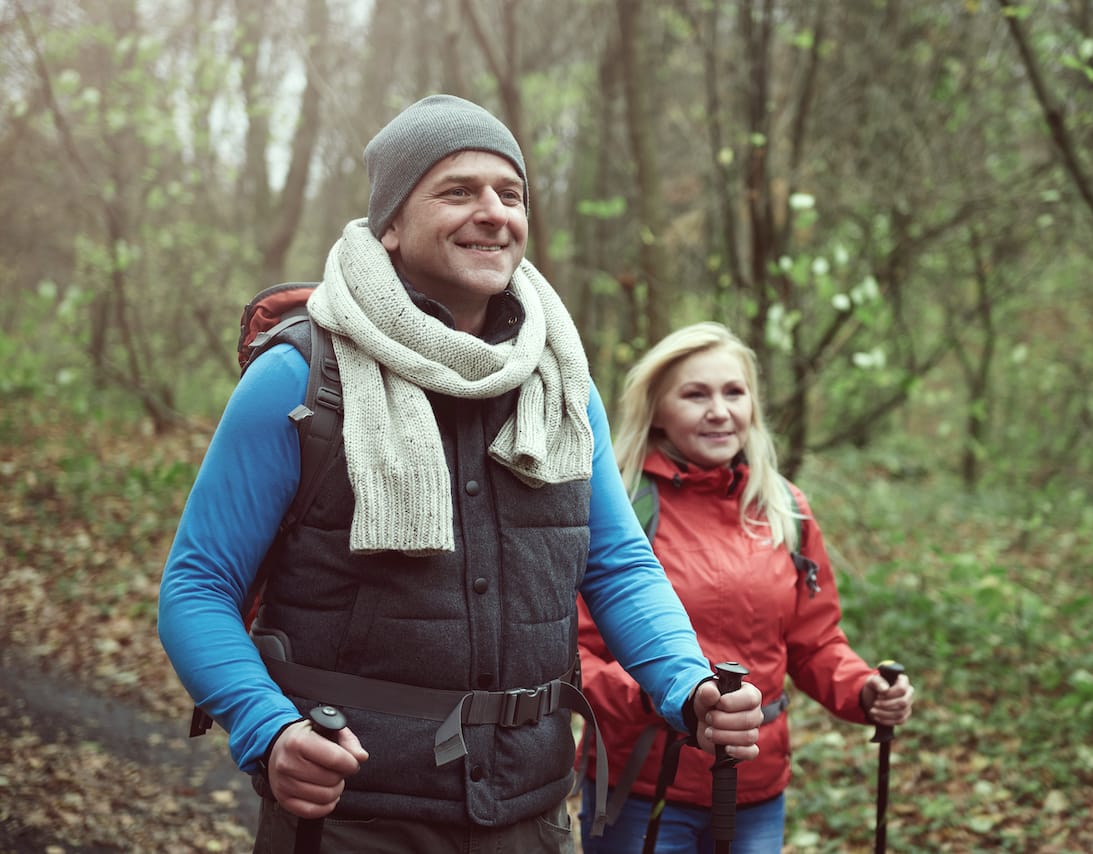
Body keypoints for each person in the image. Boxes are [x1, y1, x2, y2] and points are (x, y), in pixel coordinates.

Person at [157, 95, 763, 854]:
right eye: (456, 191)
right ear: (391, 225)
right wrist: (267, 729)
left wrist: (688, 682)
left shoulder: (561, 385)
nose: (493, 212)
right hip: (352, 817)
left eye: (510, 195)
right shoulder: (300, 378)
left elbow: (614, 563)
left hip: (533, 811)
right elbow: (197, 586)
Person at [576, 321, 915, 853]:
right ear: (658, 408)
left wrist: (864, 691)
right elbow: (576, 657)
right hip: (641, 784)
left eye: (734, 392)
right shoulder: (619, 507)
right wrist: (671, 699)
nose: (720, 411)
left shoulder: (785, 509)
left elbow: (816, 641)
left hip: (756, 790)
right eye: (695, 394)